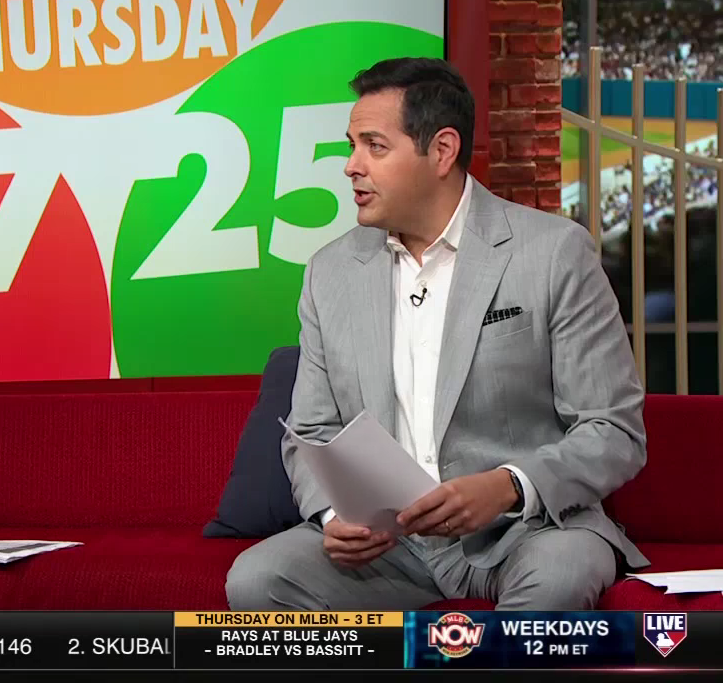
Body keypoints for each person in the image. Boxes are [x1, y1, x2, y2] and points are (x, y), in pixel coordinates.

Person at [225, 58, 648, 611]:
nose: (351, 166)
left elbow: (613, 429)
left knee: (560, 575)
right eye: (352, 146)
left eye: (374, 147)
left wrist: (507, 485)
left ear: (442, 150)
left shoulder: (552, 253)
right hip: (390, 544)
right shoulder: (330, 272)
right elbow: (311, 431)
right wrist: (333, 515)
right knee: (257, 580)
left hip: (526, 530)